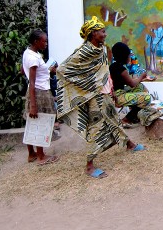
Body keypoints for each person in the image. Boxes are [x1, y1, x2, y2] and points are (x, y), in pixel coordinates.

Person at [56, 16, 145, 179]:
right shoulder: (85, 51)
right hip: (94, 97)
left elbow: (103, 73)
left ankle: (130, 145)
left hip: (105, 94)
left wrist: (110, 89)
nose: (105, 34)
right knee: (97, 130)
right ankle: (89, 166)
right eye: (102, 31)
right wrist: (88, 86)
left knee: (115, 121)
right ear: (92, 33)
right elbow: (62, 69)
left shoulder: (101, 49)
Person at [22, 29, 60, 166]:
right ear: (36, 41)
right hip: (39, 93)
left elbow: (23, 71)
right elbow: (32, 82)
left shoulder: (29, 53)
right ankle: (41, 156)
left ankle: (32, 154)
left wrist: (47, 70)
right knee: (41, 122)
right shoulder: (33, 58)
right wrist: (33, 105)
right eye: (44, 41)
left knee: (33, 123)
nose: (46, 43)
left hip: (35, 91)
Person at [110, 42, 161, 128]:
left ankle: (134, 115)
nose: (130, 58)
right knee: (146, 98)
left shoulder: (114, 66)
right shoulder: (122, 70)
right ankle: (127, 119)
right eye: (129, 56)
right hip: (118, 96)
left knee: (140, 87)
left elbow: (128, 81)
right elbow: (132, 84)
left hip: (117, 92)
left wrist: (143, 79)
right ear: (124, 56)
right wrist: (142, 76)